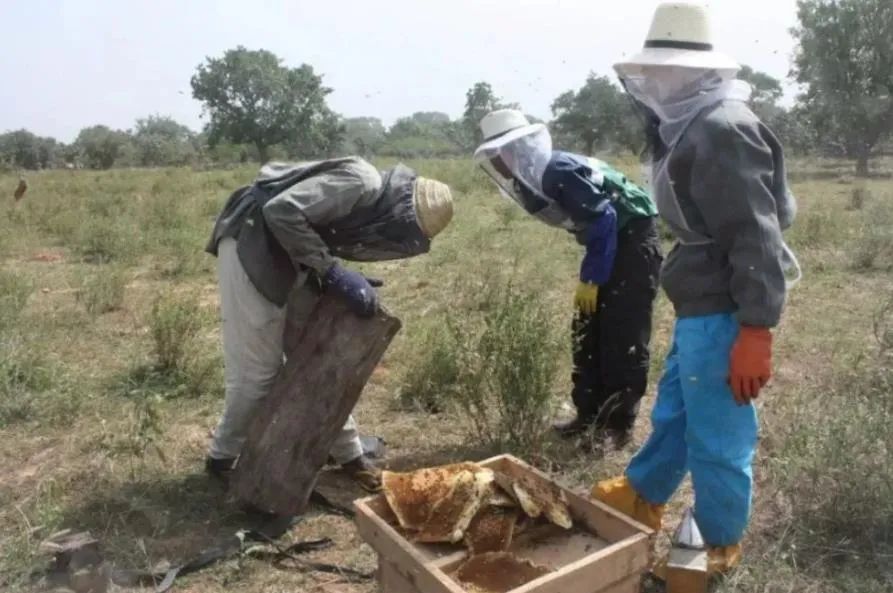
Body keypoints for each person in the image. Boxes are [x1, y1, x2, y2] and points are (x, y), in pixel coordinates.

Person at [591, 1, 800, 574]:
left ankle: (716, 544)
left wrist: (755, 329)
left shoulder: (722, 128)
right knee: (679, 411)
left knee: (719, 429)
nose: (656, 81)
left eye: (665, 70)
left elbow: (755, 236)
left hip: (727, 304)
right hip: (700, 298)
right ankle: (643, 494)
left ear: (699, 73)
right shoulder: (691, 124)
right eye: (651, 70)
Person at [205, 156, 454, 491]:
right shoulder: (361, 181)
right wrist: (333, 272)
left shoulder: (363, 193)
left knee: (318, 357)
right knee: (257, 373)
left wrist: (333, 272)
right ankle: (221, 459)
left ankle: (350, 456)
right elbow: (281, 211)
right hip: (252, 242)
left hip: (290, 249)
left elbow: (307, 224)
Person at [473, 110, 661, 447]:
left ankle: (616, 427)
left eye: (497, 153)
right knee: (587, 329)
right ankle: (587, 413)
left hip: (632, 241)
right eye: (490, 155)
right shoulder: (530, 178)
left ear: (516, 149)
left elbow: (604, 218)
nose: (495, 163)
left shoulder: (556, 170)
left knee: (622, 333)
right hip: (605, 244)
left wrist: (592, 278)